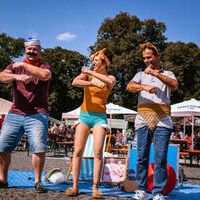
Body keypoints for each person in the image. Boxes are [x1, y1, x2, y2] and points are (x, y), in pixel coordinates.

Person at [127, 42, 178, 200]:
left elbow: (174, 85)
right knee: (142, 156)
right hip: (143, 118)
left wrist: (155, 74)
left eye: (149, 57)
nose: (146, 60)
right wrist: (144, 87)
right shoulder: (140, 75)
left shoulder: (168, 73)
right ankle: (141, 190)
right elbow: (129, 87)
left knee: (160, 158)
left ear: (157, 56)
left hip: (163, 119)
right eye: (144, 58)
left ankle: (157, 192)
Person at [0, 38, 51, 193]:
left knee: (38, 148)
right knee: (2, 146)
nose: (31, 52)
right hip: (15, 113)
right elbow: (2, 77)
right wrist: (16, 76)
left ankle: (37, 181)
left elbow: (45, 76)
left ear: (40, 51)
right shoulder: (13, 67)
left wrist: (23, 65)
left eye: (34, 49)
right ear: (25, 50)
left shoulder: (44, 66)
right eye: (29, 49)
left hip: (38, 113)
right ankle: (3, 179)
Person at [66, 48, 116, 198]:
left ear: (104, 63)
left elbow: (111, 82)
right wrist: (91, 83)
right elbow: (75, 82)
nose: (93, 62)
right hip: (84, 115)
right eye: (93, 60)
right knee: (78, 151)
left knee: (98, 153)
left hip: (100, 117)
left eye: (96, 60)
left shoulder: (109, 77)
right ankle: (75, 186)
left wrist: (91, 74)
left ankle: (95, 187)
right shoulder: (87, 76)